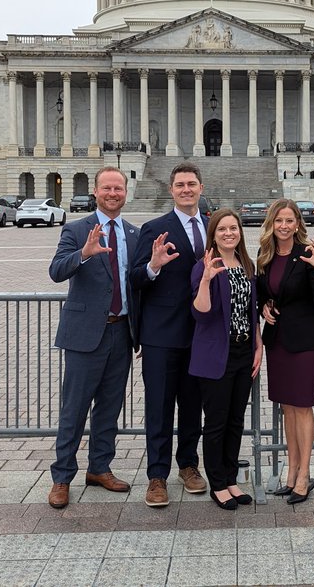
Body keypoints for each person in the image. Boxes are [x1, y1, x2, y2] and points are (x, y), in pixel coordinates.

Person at [46, 167, 139, 508]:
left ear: (125, 192)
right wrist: (84, 253)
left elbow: (136, 281)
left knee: (109, 408)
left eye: (118, 188)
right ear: (96, 192)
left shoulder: (133, 233)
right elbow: (56, 271)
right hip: (85, 335)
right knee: (74, 409)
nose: (113, 193)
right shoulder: (76, 229)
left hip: (122, 331)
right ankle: (62, 477)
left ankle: (100, 467)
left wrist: (154, 267)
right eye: (107, 188)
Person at [129, 162, 208, 507]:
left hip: (202, 334)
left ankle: (188, 465)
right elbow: (134, 278)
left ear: (200, 188)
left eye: (191, 184)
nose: (186, 189)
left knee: (193, 406)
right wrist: (153, 265)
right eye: (180, 185)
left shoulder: (214, 226)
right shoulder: (155, 228)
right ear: (171, 190)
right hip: (161, 335)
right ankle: (156, 475)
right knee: (159, 407)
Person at [255, 199, 314, 504]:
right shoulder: (266, 255)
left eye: (290, 220)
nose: (284, 226)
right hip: (278, 340)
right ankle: (291, 471)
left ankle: (304, 474)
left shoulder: (306, 254)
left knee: (302, 407)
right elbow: (264, 292)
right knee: (287, 407)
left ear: (298, 223)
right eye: (279, 221)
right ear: (271, 224)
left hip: (306, 340)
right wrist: (264, 306)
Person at [189, 209, 262, 510]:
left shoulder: (246, 264)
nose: (229, 233)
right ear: (213, 234)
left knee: (235, 420)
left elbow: (251, 311)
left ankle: (231, 478)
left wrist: (258, 344)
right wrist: (206, 279)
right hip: (217, 353)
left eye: (233, 228)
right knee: (216, 422)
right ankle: (217, 483)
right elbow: (200, 312)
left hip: (244, 351)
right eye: (222, 229)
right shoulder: (204, 265)